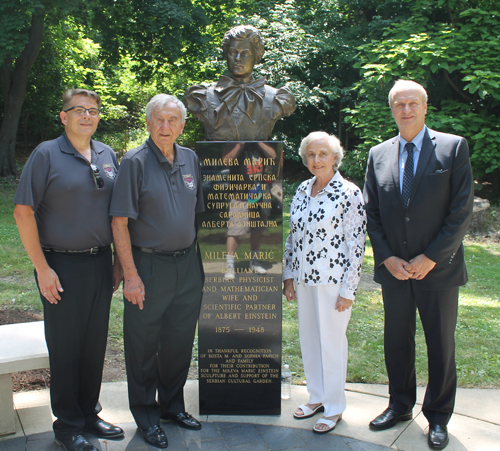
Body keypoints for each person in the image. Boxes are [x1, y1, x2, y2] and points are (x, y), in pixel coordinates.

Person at [363, 80, 473, 450]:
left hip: (437, 270)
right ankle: (399, 405)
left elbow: (460, 212)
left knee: (440, 345)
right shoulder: (378, 154)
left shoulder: (452, 147)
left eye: (413, 103)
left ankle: (438, 417)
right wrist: (388, 258)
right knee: (396, 341)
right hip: (395, 270)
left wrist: (431, 257)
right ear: (391, 109)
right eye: (399, 104)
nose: (406, 110)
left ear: (425, 107)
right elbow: (371, 214)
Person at [13, 89, 124, 451]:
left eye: (93, 111)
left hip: (98, 262)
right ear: (64, 117)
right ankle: (67, 426)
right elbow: (23, 212)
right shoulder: (46, 154)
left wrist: (119, 262)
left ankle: (89, 413)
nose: (87, 116)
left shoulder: (107, 154)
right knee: (65, 347)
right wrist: (42, 268)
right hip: (59, 265)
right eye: (79, 110)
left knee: (94, 344)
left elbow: (118, 212)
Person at [109, 94, 204, 449]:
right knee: (143, 345)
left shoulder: (191, 159)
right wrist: (130, 274)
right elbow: (119, 223)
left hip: (187, 266)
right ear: (148, 123)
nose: (166, 127)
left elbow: (196, 214)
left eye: (173, 120)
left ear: (182, 125)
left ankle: (172, 406)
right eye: (159, 120)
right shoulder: (134, 162)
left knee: (179, 342)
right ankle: (146, 416)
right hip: (147, 266)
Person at [283, 131, 366, 434]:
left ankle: (334, 407)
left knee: (332, 345)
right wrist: (288, 273)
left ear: (335, 157)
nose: (316, 160)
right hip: (304, 279)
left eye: (323, 154)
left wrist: (349, 289)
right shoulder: (303, 188)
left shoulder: (349, 192)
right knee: (310, 340)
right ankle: (316, 397)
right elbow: (294, 234)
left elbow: (357, 245)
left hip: (333, 281)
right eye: (311, 155)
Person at [184, 25, 296, 141]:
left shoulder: (275, 98)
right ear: (226, 55)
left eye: (245, 53)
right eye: (233, 52)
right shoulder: (204, 97)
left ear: (256, 56)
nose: (238, 58)